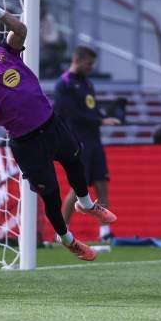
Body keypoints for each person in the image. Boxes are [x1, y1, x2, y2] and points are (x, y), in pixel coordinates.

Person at [0, 0, 116, 261]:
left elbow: (21, 31)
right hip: (27, 141)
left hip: (51, 123)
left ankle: (86, 204)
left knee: (76, 161)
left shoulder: (4, 53)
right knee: (52, 196)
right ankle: (68, 239)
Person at [54, 46, 121, 242]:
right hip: (77, 141)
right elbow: (69, 113)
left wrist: (106, 116)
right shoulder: (64, 83)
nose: (91, 68)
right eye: (89, 64)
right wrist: (100, 121)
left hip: (95, 140)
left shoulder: (87, 84)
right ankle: (61, 231)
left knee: (102, 183)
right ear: (78, 60)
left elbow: (92, 109)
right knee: (77, 188)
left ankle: (105, 233)